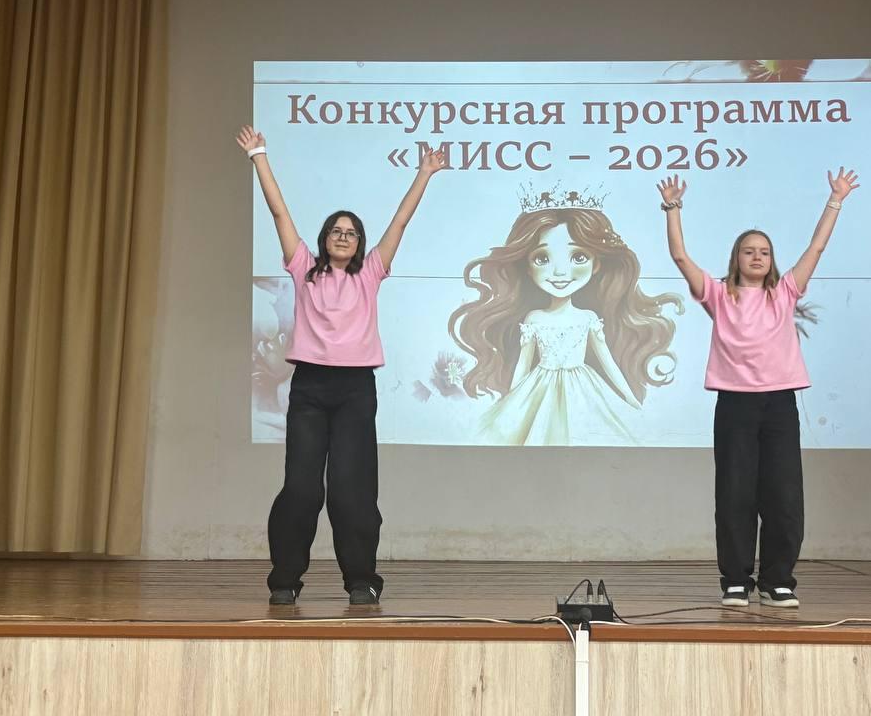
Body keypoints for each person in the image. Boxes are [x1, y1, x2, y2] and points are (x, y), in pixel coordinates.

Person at [237, 125, 446, 605]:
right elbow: (278, 211)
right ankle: (285, 581)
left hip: (355, 391)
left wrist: (424, 174)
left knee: (352, 492)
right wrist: (259, 155)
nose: (344, 237)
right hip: (310, 389)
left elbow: (399, 223)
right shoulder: (302, 268)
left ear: (360, 243)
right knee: (301, 489)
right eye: (337, 231)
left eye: (351, 233)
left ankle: (360, 581)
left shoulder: (370, 273)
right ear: (324, 238)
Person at [657, 168, 860, 609]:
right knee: (735, 494)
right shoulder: (719, 295)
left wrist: (836, 200)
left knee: (784, 495)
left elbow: (816, 247)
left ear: (772, 260)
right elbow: (679, 256)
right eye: (749, 251)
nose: (757, 257)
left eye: (764, 252)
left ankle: (776, 580)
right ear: (736, 258)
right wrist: (673, 208)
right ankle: (735, 580)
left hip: (779, 406)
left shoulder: (784, 293)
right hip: (735, 406)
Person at [448, 194, 680, 446]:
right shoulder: (534, 319)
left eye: (578, 257)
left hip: (584, 390)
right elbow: (523, 365)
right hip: (538, 390)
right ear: (528, 268)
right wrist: (511, 402)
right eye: (542, 259)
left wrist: (630, 398)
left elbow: (609, 363)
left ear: (596, 264)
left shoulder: (588, 318)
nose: (559, 272)